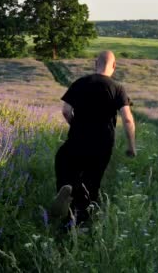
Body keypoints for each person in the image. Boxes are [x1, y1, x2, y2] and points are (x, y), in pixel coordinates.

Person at [50, 51, 136, 226]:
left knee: (64, 163)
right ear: (114, 66)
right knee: (91, 182)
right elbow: (127, 118)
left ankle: (66, 188)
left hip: (77, 139)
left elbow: (66, 111)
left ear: (95, 63)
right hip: (102, 144)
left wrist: (76, 125)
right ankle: (78, 223)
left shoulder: (80, 83)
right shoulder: (118, 88)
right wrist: (131, 146)